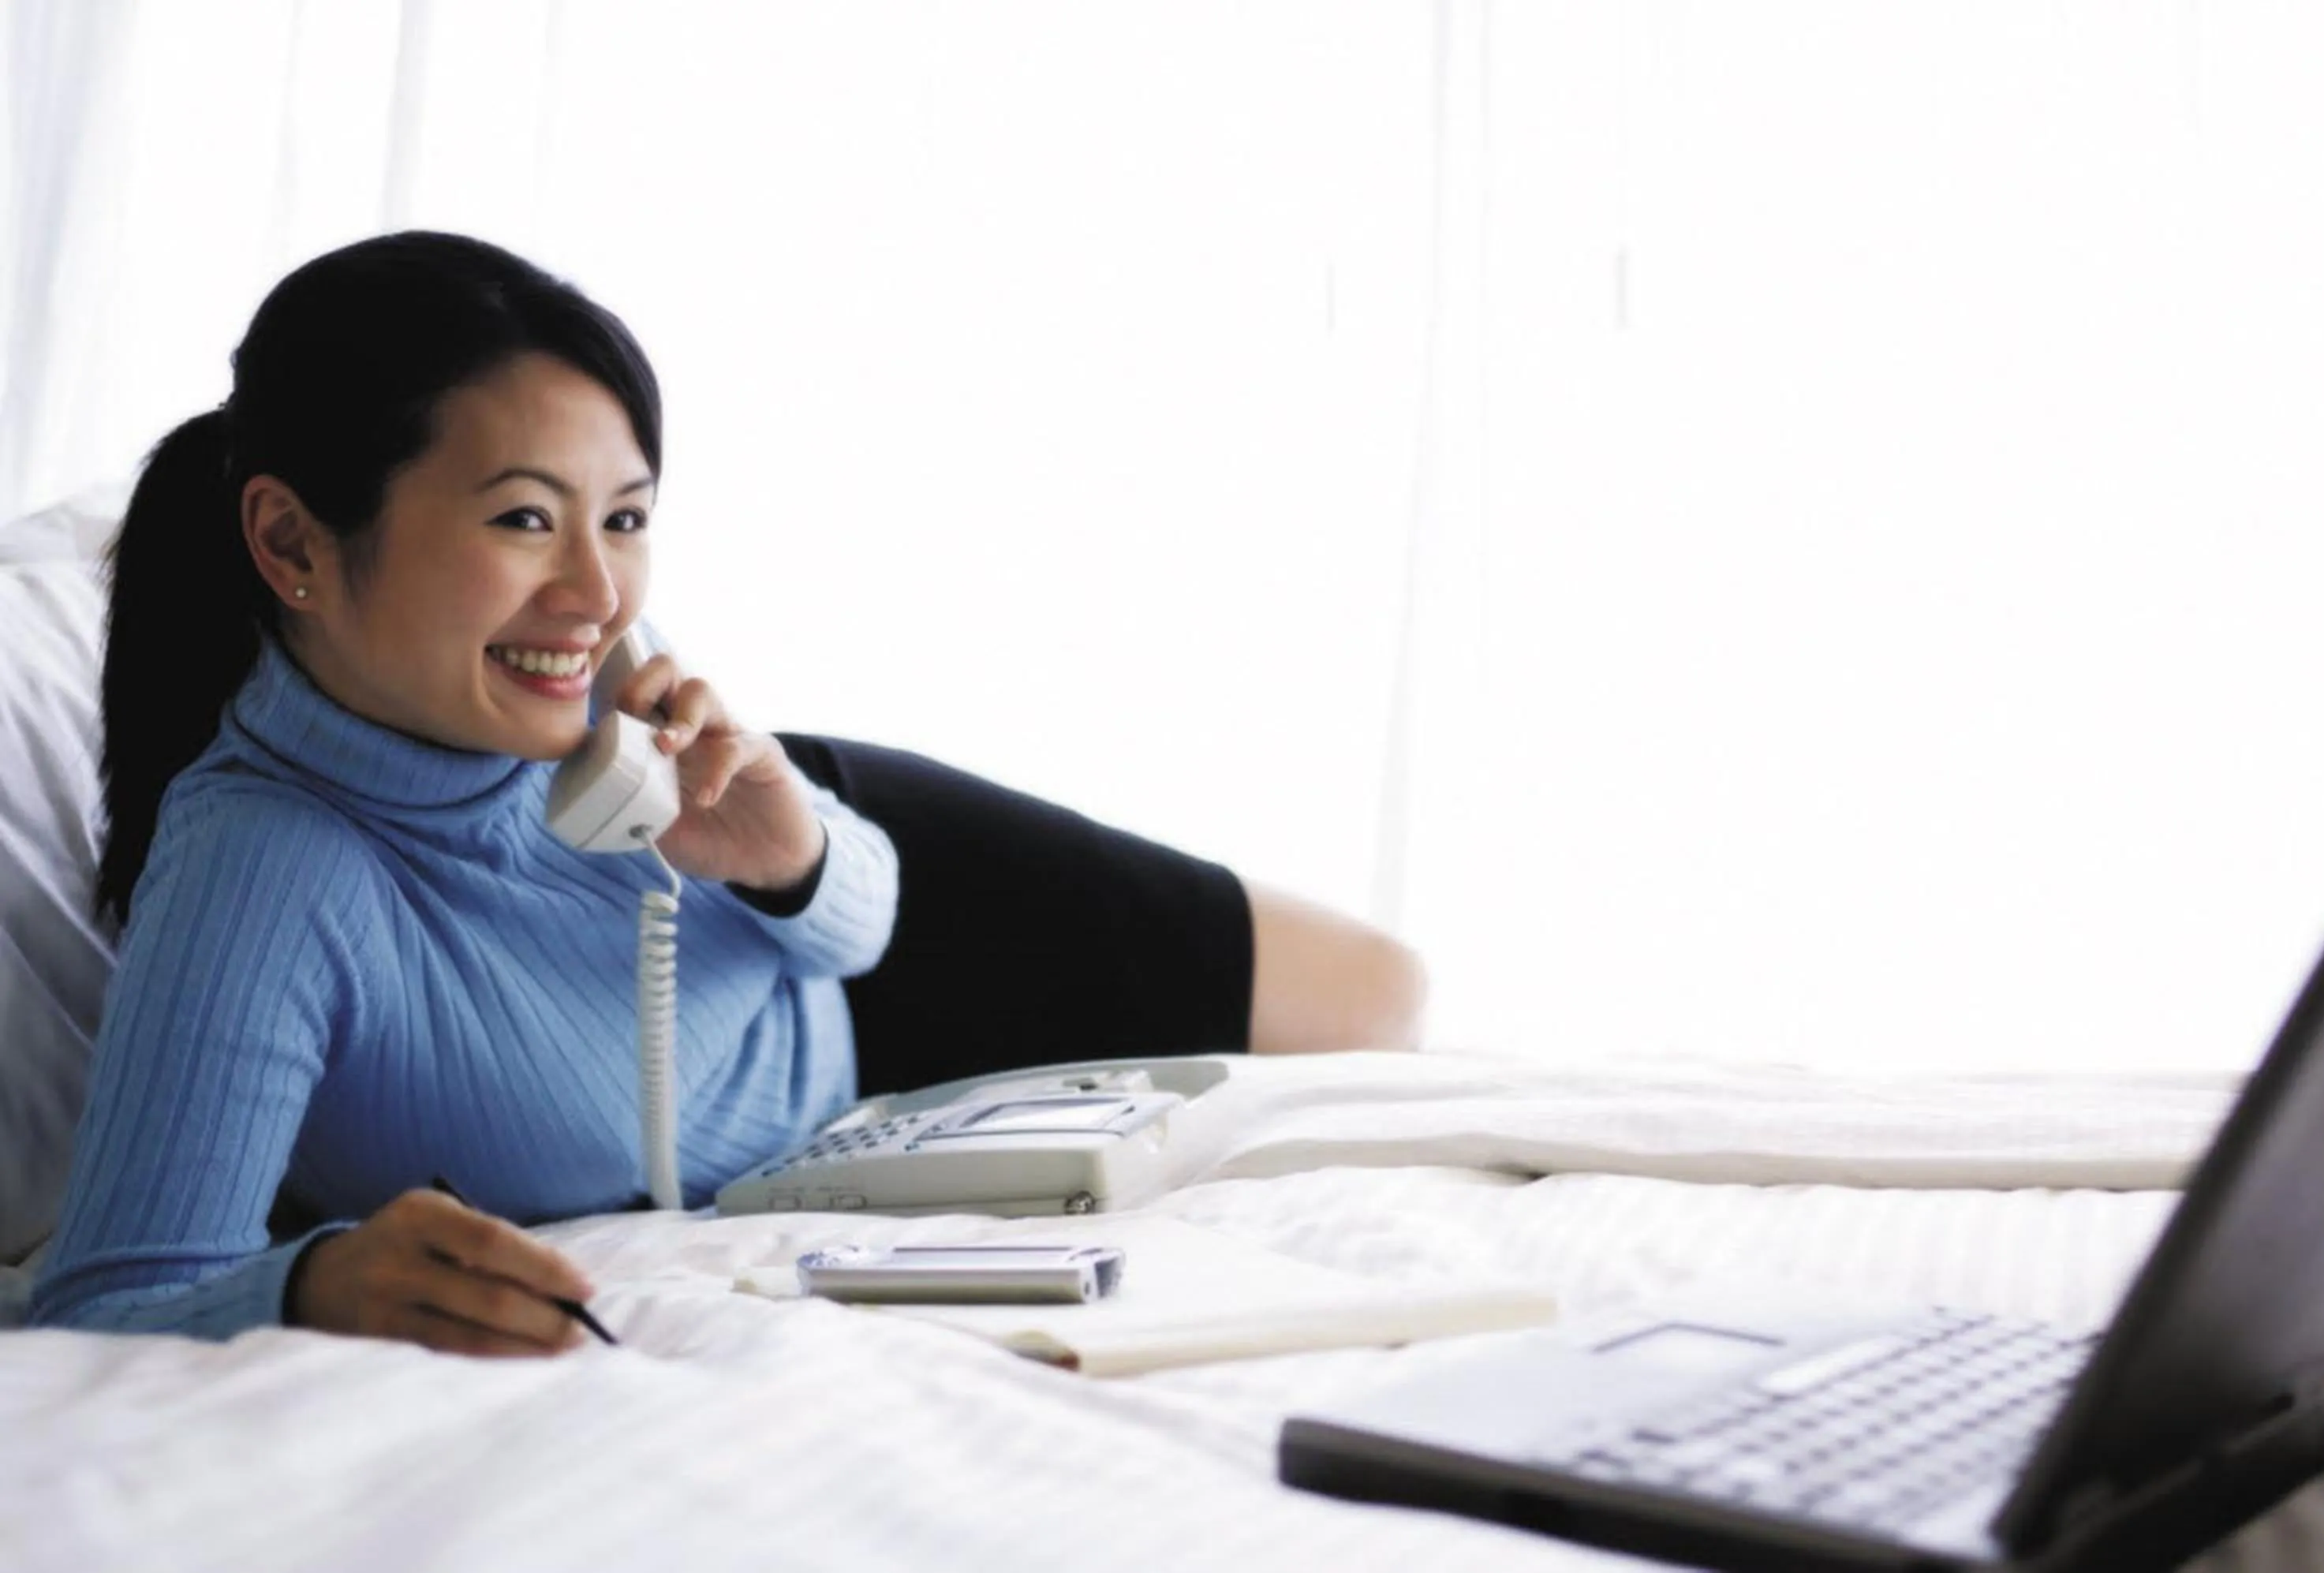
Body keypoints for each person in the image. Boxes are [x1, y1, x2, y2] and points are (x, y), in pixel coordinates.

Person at [30, 232, 1426, 1357]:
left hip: (824, 889)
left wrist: (792, 849)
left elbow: (868, 933)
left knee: (1374, 999)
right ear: (290, 541)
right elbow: (109, 1290)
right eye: (525, 517)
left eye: (624, 518)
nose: (597, 596)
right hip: (833, 1129)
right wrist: (318, 1281)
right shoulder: (263, 870)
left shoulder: (597, 741)